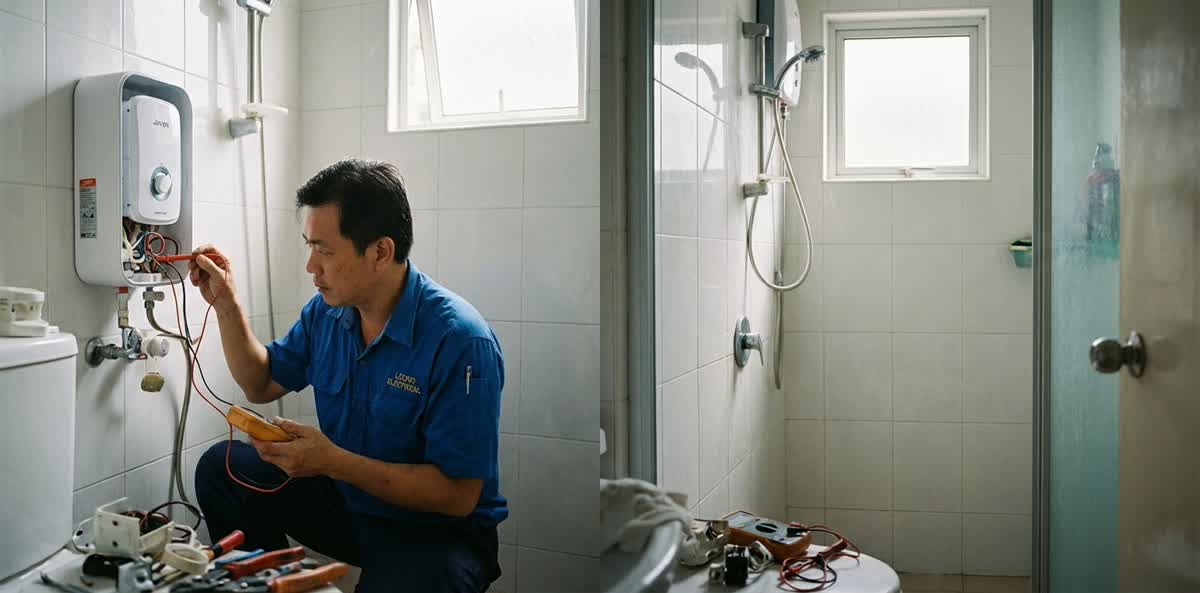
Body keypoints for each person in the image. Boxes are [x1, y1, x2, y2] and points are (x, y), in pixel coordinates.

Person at [190, 158, 506, 593]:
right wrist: (225, 303)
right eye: (308, 246)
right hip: (352, 504)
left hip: (437, 534)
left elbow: (456, 495)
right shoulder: (327, 314)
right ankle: (266, 586)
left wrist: (331, 461)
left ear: (380, 252)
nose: (310, 267)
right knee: (221, 470)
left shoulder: (461, 341)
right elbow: (259, 383)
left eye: (324, 250)